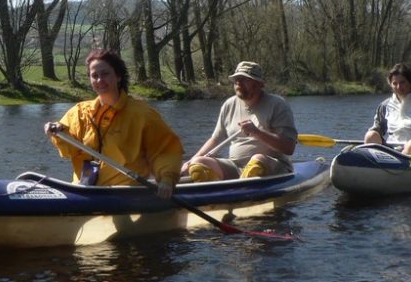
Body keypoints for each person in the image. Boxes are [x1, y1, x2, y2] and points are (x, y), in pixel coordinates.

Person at [44, 49, 183, 200]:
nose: (99, 80)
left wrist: (167, 179)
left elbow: (165, 151)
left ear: (118, 76)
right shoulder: (78, 112)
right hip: (84, 194)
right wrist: (57, 132)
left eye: (105, 74)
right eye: (94, 76)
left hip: (125, 196)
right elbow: (68, 149)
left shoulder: (143, 115)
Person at [181, 61, 297, 181]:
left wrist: (257, 132)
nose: (238, 83)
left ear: (259, 84)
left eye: (245, 79)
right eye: (236, 79)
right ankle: (212, 194)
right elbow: (215, 139)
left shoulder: (278, 105)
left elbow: (289, 148)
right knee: (198, 163)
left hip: (271, 165)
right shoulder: (229, 104)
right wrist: (190, 162)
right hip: (235, 166)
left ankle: (244, 191)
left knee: (257, 161)